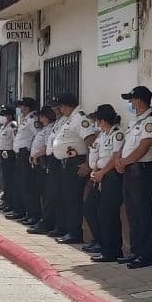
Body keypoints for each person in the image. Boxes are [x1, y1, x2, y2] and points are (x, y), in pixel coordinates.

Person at [117, 86, 152, 268]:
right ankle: (135, 250)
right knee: (132, 213)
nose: (130, 103)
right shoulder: (135, 122)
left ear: (139, 101)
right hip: (130, 171)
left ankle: (146, 254)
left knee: (144, 214)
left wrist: (125, 161)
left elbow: (144, 146)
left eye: (132, 100)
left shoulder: (151, 121)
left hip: (143, 172)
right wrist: (120, 160)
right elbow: (126, 143)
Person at [48, 94, 96, 244]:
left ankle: (75, 233)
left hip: (77, 162)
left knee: (73, 199)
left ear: (67, 105)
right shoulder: (70, 119)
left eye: (61, 107)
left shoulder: (80, 119)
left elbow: (90, 141)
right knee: (66, 198)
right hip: (66, 163)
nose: (60, 110)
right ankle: (68, 230)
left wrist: (88, 164)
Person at [85, 104, 124, 262]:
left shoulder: (117, 134)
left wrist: (102, 173)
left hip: (111, 176)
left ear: (102, 120)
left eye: (97, 120)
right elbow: (97, 155)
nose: (96, 123)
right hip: (99, 175)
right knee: (90, 207)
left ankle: (112, 250)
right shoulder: (102, 135)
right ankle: (101, 242)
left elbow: (115, 157)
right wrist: (95, 171)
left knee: (107, 213)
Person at [27, 105, 57, 235]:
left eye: (42, 116)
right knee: (41, 193)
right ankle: (42, 219)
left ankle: (47, 222)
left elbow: (47, 147)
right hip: (37, 163)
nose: (40, 118)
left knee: (47, 195)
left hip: (44, 163)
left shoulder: (51, 129)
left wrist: (36, 155)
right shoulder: (44, 129)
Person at [12, 98, 39, 225]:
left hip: (26, 154)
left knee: (28, 185)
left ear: (27, 108)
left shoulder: (32, 119)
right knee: (21, 184)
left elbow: (38, 136)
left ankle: (33, 214)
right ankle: (26, 212)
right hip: (20, 155)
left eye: (21, 106)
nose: (19, 109)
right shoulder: (25, 119)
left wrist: (33, 153)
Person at [0, 107, 18, 218]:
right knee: (5, 178)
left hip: (10, 154)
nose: (1, 117)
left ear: (10, 116)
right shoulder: (3, 127)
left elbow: (15, 140)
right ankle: (6, 200)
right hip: (3, 153)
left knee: (10, 179)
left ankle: (11, 202)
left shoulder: (13, 126)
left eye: (4, 115)